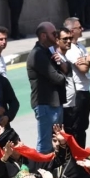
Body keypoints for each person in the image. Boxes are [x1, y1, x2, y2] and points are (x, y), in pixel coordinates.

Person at [27, 22, 69, 154]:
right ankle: (41, 166)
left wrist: (61, 62)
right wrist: (64, 76)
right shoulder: (37, 54)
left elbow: (67, 69)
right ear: (43, 36)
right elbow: (57, 78)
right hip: (45, 104)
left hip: (55, 103)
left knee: (57, 142)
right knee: (45, 145)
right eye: (54, 33)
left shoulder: (50, 50)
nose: (56, 36)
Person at [63, 17, 90, 147]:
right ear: (72, 31)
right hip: (77, 91)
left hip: (85, 90)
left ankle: (82, 153)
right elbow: (83, 68)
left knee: (83, 125)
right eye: (79, 27)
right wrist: (88, 61)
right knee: (76, 127)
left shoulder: (80, 46)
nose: (82, 29)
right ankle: (76, 155)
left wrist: (88, 61)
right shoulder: (70, 49)